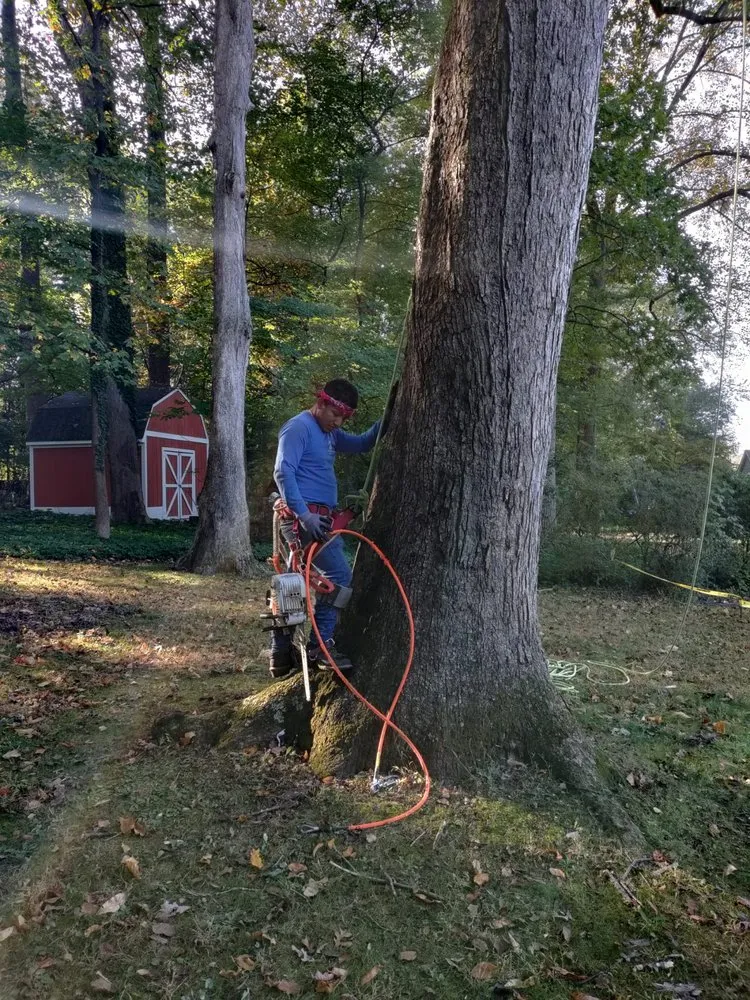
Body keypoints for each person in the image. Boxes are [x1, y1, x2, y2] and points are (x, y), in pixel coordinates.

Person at [269, 377, 392, 678]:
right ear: (321, 402)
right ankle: (320, 645)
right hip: (306, 520)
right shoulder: (299, 428)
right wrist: (304, 516)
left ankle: (281, 652)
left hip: (318, 518)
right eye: (335, 414)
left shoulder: (330, 435)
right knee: (340, 577)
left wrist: (390, 414)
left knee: (293, 582)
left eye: (344, 417)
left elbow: (364, 443)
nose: (338, 421)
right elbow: (283, 473)